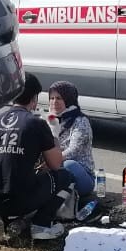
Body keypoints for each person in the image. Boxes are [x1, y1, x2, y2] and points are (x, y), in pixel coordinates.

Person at [0, 72, 66, 243]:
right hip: (18, 199)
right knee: (65, 177)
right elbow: (57, 164)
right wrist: (54, 134)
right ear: (34, 98)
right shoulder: (36, 123)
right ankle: (41, 225)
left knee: (10, 180)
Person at [46, 80, 99, 218]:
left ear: (69, 99)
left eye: (59, 98)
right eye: (51, 98)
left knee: (68, 164)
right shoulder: (49, 120)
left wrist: (52, 161)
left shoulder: (81, 121)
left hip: (82, 175)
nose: (54, 102)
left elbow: (73, 150)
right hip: (56, 167)